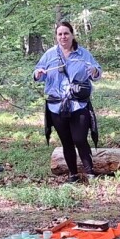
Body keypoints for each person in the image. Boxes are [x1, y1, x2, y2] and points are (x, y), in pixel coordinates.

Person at [34, 22, 102, 183]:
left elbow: (97, 72)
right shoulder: (50, 54)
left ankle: (90, 173)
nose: (63, 37)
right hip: (56, 106)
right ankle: (73, 175)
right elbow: (38, 74)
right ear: (56, 37)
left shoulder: (83, 54)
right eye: (60, 34)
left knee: (79, 138)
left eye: (66, 33)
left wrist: (94, 71)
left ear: (72, 35)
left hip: (79, 104)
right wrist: (38, 73)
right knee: (66, 141)